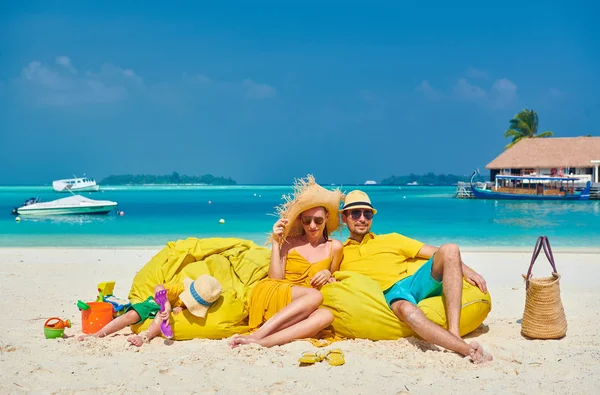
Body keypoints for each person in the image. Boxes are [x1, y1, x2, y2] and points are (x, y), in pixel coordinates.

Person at [339, 190, 493, 363]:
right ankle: (464, 348)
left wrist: (468, 271)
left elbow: (436, 252)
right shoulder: (339, 252)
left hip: (411, 283)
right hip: (388, 294)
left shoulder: (391, 239)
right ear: (344, 218)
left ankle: (454, 333)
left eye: (367, 214)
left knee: (450, 248)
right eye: (355, 213)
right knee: (407, 310)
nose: (362, 219)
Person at [230, 176, 343, 348]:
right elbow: (275, 279)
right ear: (300, 220)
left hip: (303, 307)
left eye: (318, 220)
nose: (312, 225)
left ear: (327, 217)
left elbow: (333, 277)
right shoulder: (289, 242)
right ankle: (257, 335)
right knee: (314, 295)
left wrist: (328, 273)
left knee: (326, 316)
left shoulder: (334, 247)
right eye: (307, 220)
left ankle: (265, 342)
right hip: (277, 293)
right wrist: (276, 242)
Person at [78, 274, 222, 346]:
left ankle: (145, 337)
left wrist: (180, 308)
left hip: (163, 313)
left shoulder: (200, 299)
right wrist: (165, 302)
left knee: (161, 316)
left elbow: (183, 309)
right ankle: (98, 334)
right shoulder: (179, 287)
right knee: (131, 315)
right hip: (154, 303)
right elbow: (158, 287)